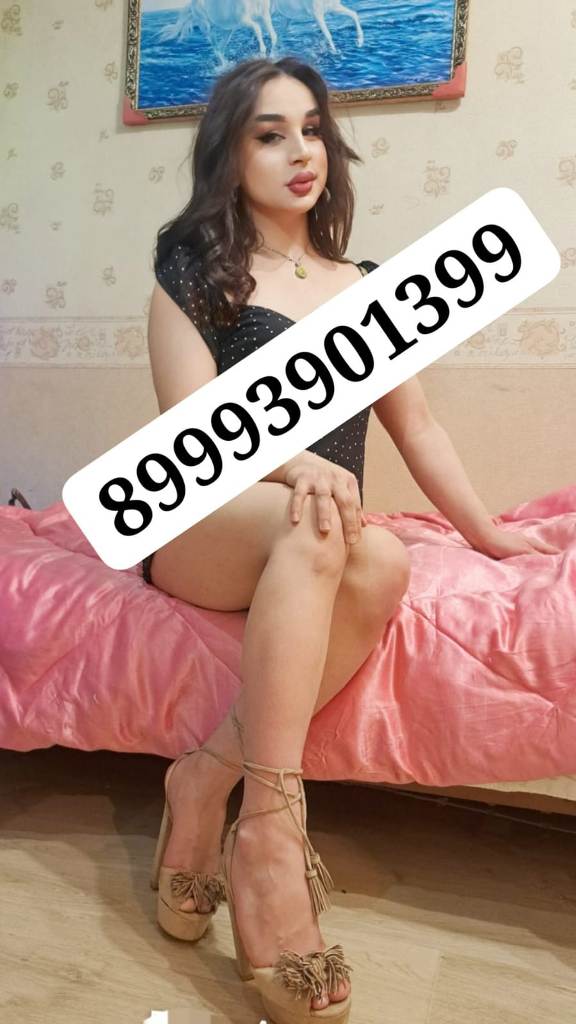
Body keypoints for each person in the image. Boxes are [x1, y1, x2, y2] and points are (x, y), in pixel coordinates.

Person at [145, 55, 413, 1024]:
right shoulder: (193, 268)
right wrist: (297, 466)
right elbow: (189, 430)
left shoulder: (368, 284)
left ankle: (203, 780)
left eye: (312, 129)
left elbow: (422, 431)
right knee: (316, 516)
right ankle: (269, 831)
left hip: (313, 530)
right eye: (270, 133)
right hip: (207, 516)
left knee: (386, 557)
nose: (301, 151)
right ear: (230, 152)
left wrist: (496, 535)